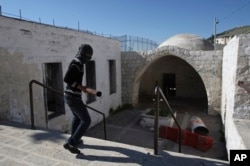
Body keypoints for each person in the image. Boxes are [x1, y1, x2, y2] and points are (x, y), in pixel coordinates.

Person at [63, 44, 102, 154]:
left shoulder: (78, 62)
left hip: (70, 96)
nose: (88, 57)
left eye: (89, 56)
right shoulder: (77, 63)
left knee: (77, 117)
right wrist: (81, 87)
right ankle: (72, 143)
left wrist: (82, 87)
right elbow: (67, 78)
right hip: (73, 97)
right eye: (87, 55)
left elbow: (73, 80)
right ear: (83, 54)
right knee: (86, 120)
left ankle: (74, 139)